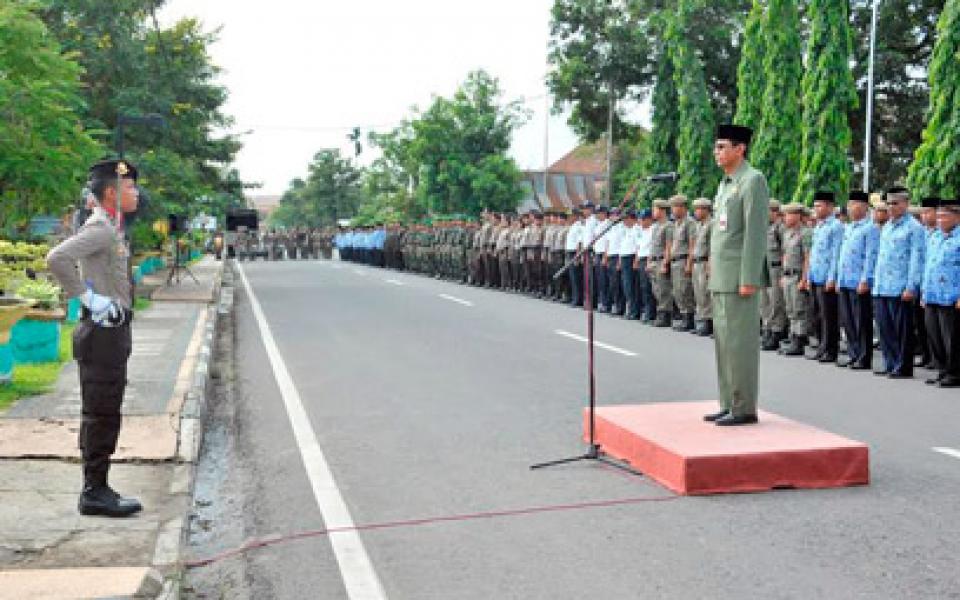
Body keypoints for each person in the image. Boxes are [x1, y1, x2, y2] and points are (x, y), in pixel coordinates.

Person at [46, 159, 142, 517]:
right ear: (110, 193)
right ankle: (94, 491)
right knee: (100, 412)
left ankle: (99, 487)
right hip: (101, 335)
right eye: (130, 187)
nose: (136, 193)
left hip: (110, 334)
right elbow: (57, 258)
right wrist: (87, 298)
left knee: (104, 410)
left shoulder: (111, 229)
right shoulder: (101, 229)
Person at [703, 124, 769, 426]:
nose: (717, 152)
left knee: (739, 344)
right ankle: (728, 401)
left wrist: (749, 278)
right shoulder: (726, 184)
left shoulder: (752, 180)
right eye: (716, 147)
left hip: (739, 277)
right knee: (723, 343)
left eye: (722, 146)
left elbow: (754, 234)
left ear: (739, 149)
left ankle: (744, 407)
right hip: (722, 274)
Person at [872, 187, 926, 378]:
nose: (891, 207)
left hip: (900, 286)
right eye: (889, 204)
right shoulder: (886, 227)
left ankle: (903, 366)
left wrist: (911, 286)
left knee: (902, 330)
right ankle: (890, 362)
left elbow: (916, 259)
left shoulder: (914, 228)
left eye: (896, 203)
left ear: (906, 204)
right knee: (885, 328)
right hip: (882, 285)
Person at [836, 191, 880, 369]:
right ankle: (853, 353)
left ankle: (863, 356)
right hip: (846, 279)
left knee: (861, 320)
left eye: (854, 204)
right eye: (849, 204)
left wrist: (866, 279)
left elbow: (871, 256)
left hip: (859, 281)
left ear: (863, 207)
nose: (850, 208)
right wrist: (839, 278)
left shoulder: (870, 228)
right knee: (848, 320)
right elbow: (842, 256)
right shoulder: (848, 228)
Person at [921, 198, 960, 387]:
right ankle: (942, 370)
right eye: (938, 216)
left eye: (944, 216)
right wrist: (924, 292)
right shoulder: (934, 237)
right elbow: (928, 265)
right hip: (932, 293)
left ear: (956, 217)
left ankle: (954, 373)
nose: (940, 220)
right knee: (934, 333)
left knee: (951, 337)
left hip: (951, 296)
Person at [807, 191, 844, 363]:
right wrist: (809, 276)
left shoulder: (836, 226)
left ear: (829, 206)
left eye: (819, 205)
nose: (816, 209)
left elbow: (836, 254)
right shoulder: (819, 226)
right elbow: (814, 253)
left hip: (827, 278)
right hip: (816, 275)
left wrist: (832, 278)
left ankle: (831, 349)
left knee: (829, 316)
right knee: (817, 315)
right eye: (815, 206)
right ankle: (822, 346)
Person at [778, 203, 814, 356]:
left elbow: (807, 257)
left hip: (798, 275)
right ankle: (793, 337)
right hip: (787, 275)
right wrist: (782, 274)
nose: (785, 217)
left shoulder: (805, 233)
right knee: (790, 309)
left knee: (799, 309)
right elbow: (784, 254)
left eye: (788, 214)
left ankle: (799, 340)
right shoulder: (787, 233)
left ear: (797, 215)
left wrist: (804, 278)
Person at [760, 200, 788, 351]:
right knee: (764, 301)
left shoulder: (780, 228)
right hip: (765, 267)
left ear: (775, 212)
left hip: (776, 268)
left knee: (776, 301)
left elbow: (785, 251)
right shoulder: (766, 227)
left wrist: (784, 272)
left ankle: (777, 331)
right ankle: (767, 329)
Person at [669, 194, 697, 331]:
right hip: (675, 261)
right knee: (677, 291)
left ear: (682, 207)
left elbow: (692, 245)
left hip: (683, 260)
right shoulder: (676, 223)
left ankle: (689, 318)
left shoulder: (689, 223)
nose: (673, 210)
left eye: (675, 207)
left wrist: (689, 264)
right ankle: (683, 315)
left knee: (685, 290)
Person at [648, 199, 674, 327]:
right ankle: (660, 312)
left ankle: (665, 315)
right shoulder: (655, 226)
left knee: (664, 290)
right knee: (656, 289)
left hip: (661, 260)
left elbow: (669, 246)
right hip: (654, 260)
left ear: (662, 210)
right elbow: (652, 246)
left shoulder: (668, 226)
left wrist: (665, 262)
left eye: (655, 209)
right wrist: (649, 261)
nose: (653, 211)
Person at [691, 198, 713, 336]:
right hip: (696, 262)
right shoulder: (698, 225)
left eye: (698, 209)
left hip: (705, 262)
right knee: (698, 293)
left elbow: (712, 247)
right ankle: (702, 320)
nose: (696, 212)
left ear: (705, 209)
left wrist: (710, 265)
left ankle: (709, 322)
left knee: (706, 293)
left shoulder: (711, 224)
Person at [617, 210, 640, 320]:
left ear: (631, 218)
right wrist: (620, 261)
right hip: (625, 259)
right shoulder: (626, 230)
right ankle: (630, 308)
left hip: (631, 258)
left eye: (625, 219)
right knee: (626, 286)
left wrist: (636, 260)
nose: (624, 221)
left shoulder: (637, 229)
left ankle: (634, 311)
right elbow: (622, 247)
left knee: (631, 286)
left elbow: (638, 247)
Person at [635, 209, 656, 322]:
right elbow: (640, 247)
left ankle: (651, 312)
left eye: (643, 219)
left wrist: (648, 262)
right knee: (643, 287)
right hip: (642, 259)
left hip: (649, 260)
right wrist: (637, 260)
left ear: (649, 219)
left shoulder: (653, 230)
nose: (640, 221)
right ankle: (647, 310)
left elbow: (651, 248)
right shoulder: (643, 231)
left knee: (649, 287)